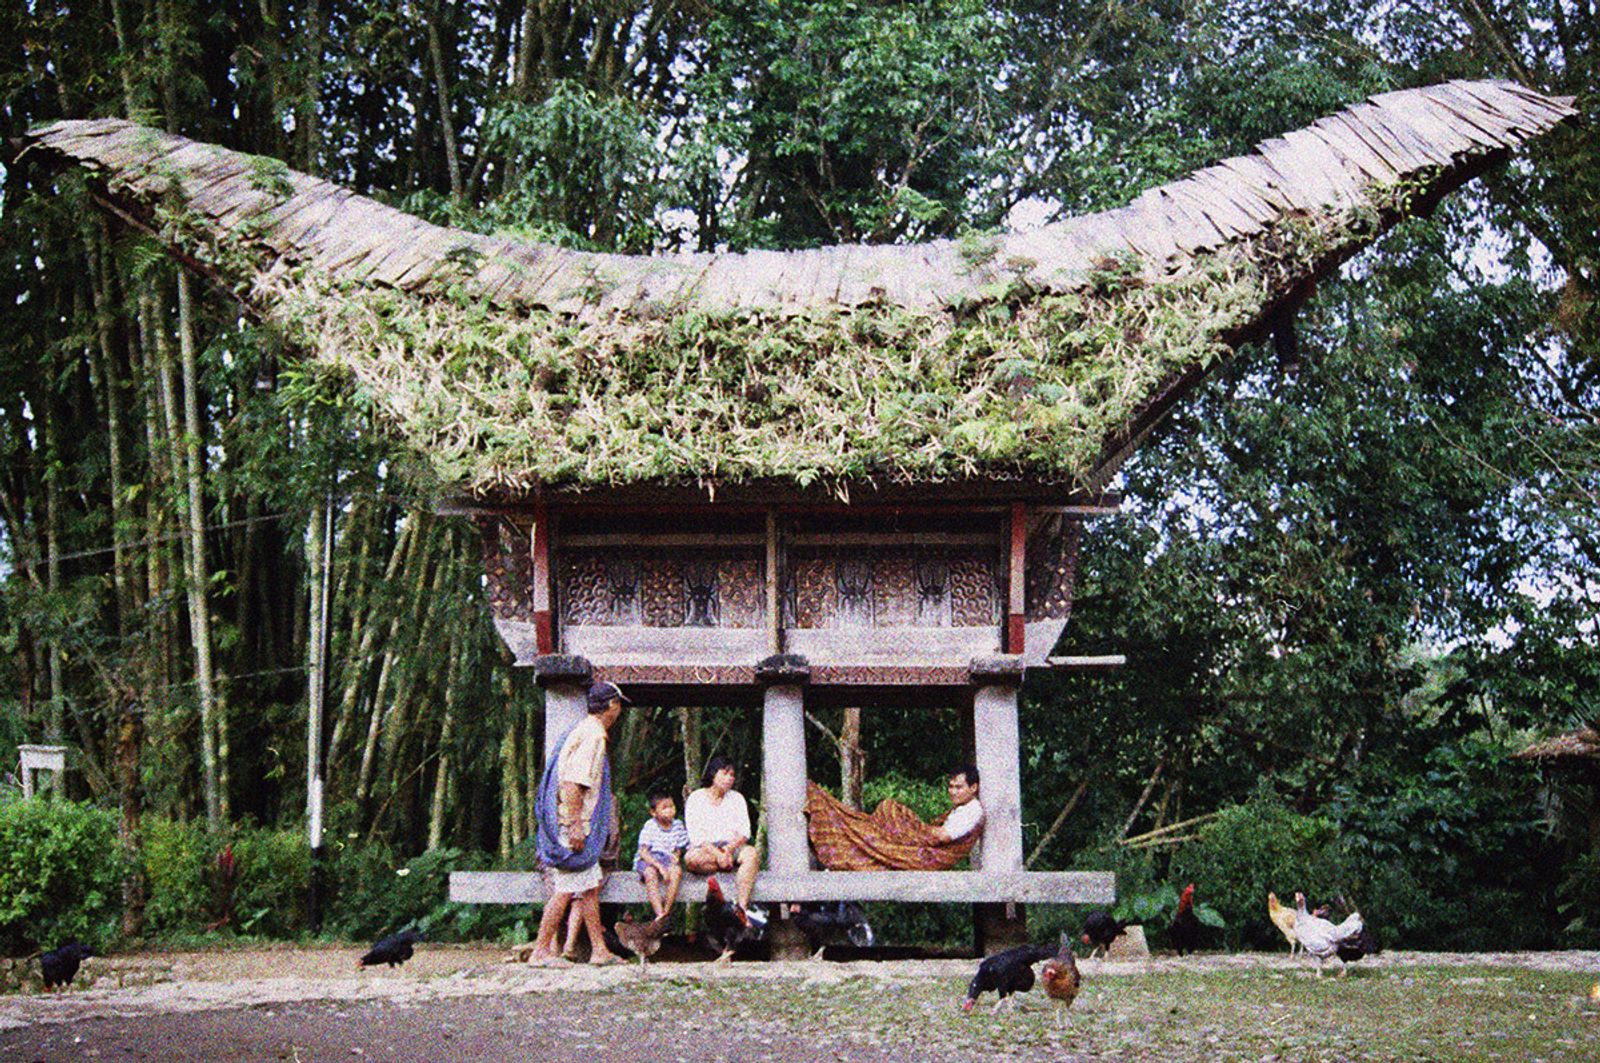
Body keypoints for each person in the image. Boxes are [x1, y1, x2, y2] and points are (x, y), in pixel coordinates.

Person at [525, 680, 630, 966]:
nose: (619, 712)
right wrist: (574, 826)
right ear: (611, 705)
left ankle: (599, 950)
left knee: (590, 886)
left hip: (574, 823)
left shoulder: (583, 728)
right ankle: (541, 950)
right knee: (566, 888)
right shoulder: (594, 735)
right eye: (619, 705)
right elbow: (573, 784)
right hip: (574, 826)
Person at [684, 755, 759, 914]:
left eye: (732, 775)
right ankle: (726, 866)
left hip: (733, 847)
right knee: (691, 860)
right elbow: (696, 836)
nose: (729, 779)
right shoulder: (696, 798)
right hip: (707, 849)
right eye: (725, 773)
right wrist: (718, 855)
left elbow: (745, 832)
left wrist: (728, 851)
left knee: (751, 854)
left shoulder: (737, 798)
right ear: (713, 773)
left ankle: (741, 908)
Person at [634, 789, 689, 919]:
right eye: (664, 808)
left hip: (667, 858)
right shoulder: (650, 826)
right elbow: (643, 851)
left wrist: (677, 855)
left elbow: (679, 846)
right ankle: (659, 912)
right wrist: (659, 867)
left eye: (671, 806)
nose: (670, 810)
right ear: (653, 812)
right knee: (650, 874)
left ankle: (666, 911)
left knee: (676, 872)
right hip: (649, 858)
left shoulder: (678, 825)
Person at [931, 764, 983, 846]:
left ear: (973, 788)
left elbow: (944, 836)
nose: (953, 792)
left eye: (959, 787)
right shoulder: (962, 807)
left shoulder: (972, 810)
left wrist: (920, 831)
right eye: (951, 786)